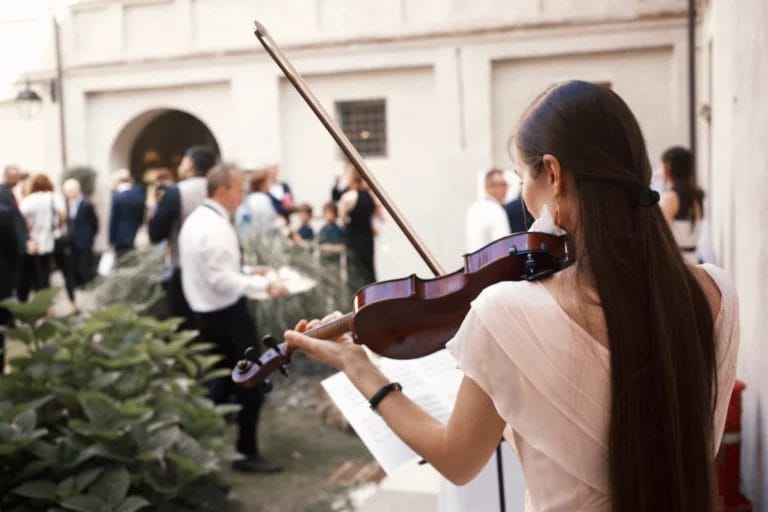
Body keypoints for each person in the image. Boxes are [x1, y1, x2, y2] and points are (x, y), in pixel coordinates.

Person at [284, 81, 739, 512]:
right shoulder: (717, 294)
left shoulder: (506, 314)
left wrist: (358, 367)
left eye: (523, 176)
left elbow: (457, 460)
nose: (523, 194)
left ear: (554, 174)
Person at [179, 163, 289, 473]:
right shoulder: (215, 227)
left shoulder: (196, 220)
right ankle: (246, 453)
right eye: (239, 190)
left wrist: (247, 271)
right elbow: (220, 280)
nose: (242, 197)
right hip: (227, 316)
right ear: (223, 190)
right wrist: (266, 284)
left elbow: (212, 271)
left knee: (220, 384)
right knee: (252, 382)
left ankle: (193, 443)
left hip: (205, 314)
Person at [149, 145, 216, 330]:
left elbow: (156, 232)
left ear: (190, 163)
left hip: (184, 266)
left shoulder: (176, 191)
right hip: (214, 263)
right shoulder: (216, 188)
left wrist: (156, 207)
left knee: (187, 323)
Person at [18, 174, 65, 301]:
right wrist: (56, 228)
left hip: (33, 242)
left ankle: (35, 299)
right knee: (45, 272)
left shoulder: (29, 200)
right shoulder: (54, 198)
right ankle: (45, 301)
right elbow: (62, 217)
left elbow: (22, 221)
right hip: (49, 240)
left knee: (33, 273)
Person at [338, 162, 382, 293]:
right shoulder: (371, 197)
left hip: (353, 242)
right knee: (369, 274)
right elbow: (379, 217)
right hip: (368, 241)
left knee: (354, 277)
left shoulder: (348, 197)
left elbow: (342, 220)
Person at [658, 146, 704, 263]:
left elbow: (659, 237)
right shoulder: (696, 197)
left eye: (661, 166)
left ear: (669, 167)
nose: (659, 171)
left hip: (676, 263)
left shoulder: (671, 198)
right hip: (693, 260)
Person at [61, 178, 98, 307]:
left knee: (84, 263)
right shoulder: (64, 204)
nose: (70, 193)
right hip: (70, 240)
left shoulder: (86, 204)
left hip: (84, 239)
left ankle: (85, 283)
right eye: (68, 191)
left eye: (72, 190)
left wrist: (90, 236)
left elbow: (94, 223)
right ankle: (76, 283)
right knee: (72, 264)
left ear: (78, 189)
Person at [465, 169, 511, 252]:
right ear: (490, 187)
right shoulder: (496, 210)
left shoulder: (473, 208)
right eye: (503, 184)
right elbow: (503, 245)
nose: (506, 189)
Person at [0, 165, 28, 295]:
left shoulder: (9, 192)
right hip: (9, 249)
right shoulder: (2, 193)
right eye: (14, 177)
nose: (17, 179)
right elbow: (8, 223)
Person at [234, 169, 282, 238]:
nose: (271, 183)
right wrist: (280, 223)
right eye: (269, 180)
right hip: (260, 242)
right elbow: (268, 226)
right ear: (263, 184)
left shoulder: (249, 199)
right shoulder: (262, 200)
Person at [109, 169, 145, 256]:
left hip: (120, 236)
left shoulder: (118, 197)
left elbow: (114, 218)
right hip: (135, 232)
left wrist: (111, 238)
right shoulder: (138, 193)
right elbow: (141, 215)